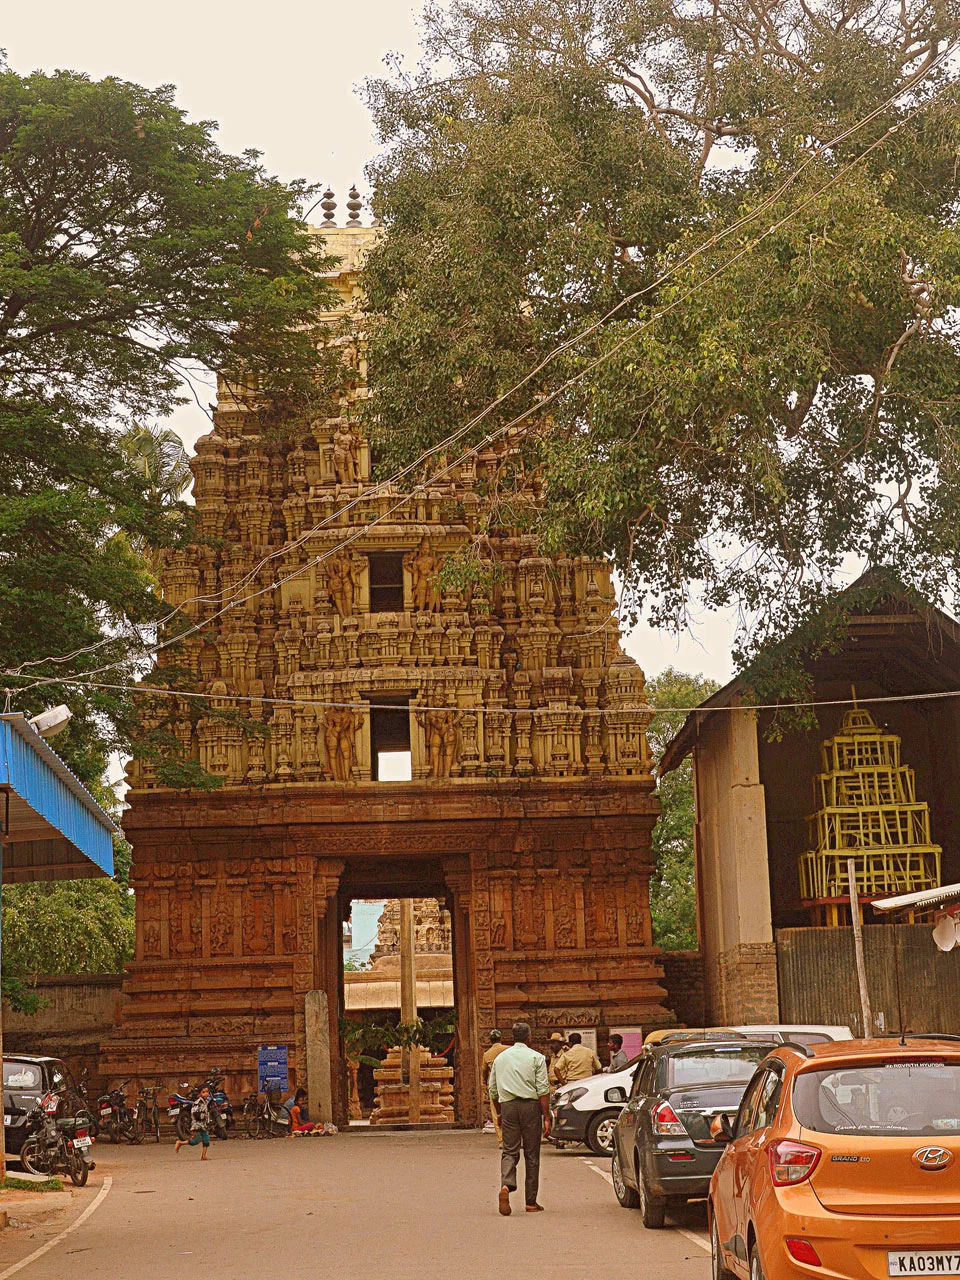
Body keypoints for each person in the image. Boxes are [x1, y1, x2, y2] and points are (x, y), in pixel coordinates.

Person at [488, 1020, 551, 1216]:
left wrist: (499, 1112)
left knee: (509, 1151)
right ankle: (530, 1202)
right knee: (532, 1154)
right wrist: (546, 1116)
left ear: (512, 1038)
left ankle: (506, 1186)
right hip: (530, 1108)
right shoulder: (537, 1058)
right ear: (529, 1037)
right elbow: (543, 1089)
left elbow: (492, 1090)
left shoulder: (500, 1059)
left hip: (508, 1107)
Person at [482, 1030, 508, 1147]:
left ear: (490, 1040)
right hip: (508, 1083)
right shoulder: (508, 1049)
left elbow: (484, 1072)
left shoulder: (487, 1054)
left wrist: (484, 1083)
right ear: (500, 1038)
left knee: (496, 1113)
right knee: (510, 1110)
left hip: (495, 1085)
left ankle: (501, 1140)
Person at [175, 1084, 213, 1160]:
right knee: (195, 1141)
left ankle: (203, 1156)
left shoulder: (205, 1102)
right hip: (197, 1125)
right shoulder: (198, 1102)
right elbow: (195, 1113)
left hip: (203, 1125)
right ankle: (180, 1143)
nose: (206, 1094)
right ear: (200, 1094)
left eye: (207, 1092)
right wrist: (203, 1116)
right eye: (203, 1092)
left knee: (206, 1139)